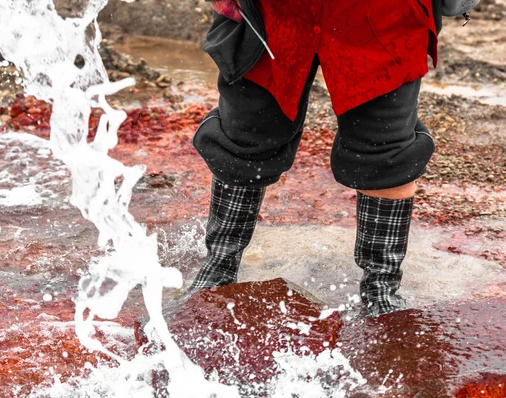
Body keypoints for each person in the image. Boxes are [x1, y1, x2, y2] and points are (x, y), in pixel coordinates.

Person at [189, 0, 479, 316]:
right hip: (271, 12)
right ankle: (219, 264)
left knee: (384, 148)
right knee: (246, 133)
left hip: (382, 12)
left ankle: (380, 289)